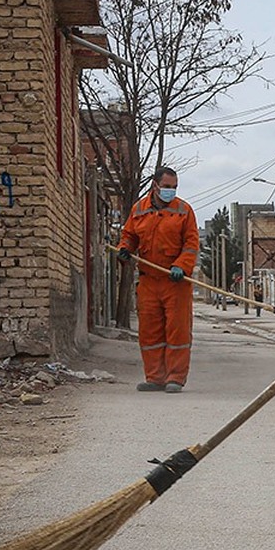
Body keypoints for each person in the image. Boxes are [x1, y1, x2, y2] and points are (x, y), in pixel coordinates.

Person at [117, 166, 199, 394]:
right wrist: (124, 249)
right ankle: (154, 377)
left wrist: (181, 266)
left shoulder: (184, 211)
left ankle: (175, 377)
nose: (170, 191)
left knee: (177, 331)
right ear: (155, 185)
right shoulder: (139, 209)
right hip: (149, 281)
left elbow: (191, 244)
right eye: (166, 187)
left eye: (174, 188)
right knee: (150, 331)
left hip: (176, 282)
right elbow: (129, 235)